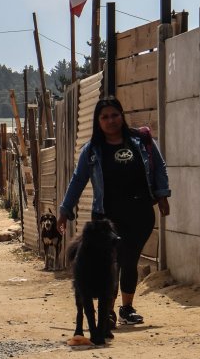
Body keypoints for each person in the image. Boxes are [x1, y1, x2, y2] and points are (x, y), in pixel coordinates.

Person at [57, 96, 171, 326]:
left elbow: (159, 166)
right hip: (106, 219)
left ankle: (126, 308)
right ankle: (107, 311)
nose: (111, 121)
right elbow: (78, 180)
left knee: (129, 260)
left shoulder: (141, 140)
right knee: (113, 262)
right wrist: (65, 209)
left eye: (115, 115)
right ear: (98, 121)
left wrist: (162, 195)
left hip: (139, 215)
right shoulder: (91, 150)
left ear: (122, 116)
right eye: (105, 117)